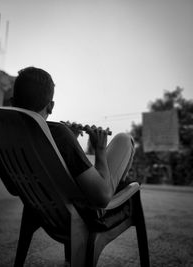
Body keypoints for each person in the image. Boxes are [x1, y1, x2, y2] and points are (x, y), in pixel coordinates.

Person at [12, 66, 135, 209]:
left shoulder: (6, 134)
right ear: (51, 106)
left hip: (42, 202)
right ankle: (118, 185)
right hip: (82, 207)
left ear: (12, 102)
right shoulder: (58, 134)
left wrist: (72, 140)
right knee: (124, 139)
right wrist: (100, 149)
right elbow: (102, 197)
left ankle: (118, 183)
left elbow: (15, 187)